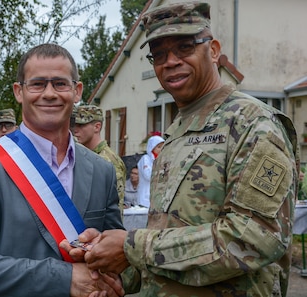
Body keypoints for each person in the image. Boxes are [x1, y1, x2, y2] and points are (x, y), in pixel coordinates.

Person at [66, 2, 299, 296]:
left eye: (185, 47)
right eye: (159, 54)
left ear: (213, 50)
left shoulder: (253, 124)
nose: (170, 61)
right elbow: (165, 246)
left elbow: (254, 239)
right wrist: (104, 261)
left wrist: (131, 246)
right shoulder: (178, 132)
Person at [0, 43, 125, 297]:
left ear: (77, 91)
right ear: (19, 92)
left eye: (60, 84)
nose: (49, 93)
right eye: (38, 84)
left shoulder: (102, 170)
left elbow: (119, 261)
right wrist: (65, 278)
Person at [73, 105, 127, 213]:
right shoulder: (80, 155)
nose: (75, 130)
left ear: (97, 127)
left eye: (81, 125)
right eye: (74, 125)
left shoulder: (108, 161)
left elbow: (115, 207)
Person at [137, 135, 164, 208]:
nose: (161, 149)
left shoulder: (160, 160)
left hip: (156, 198)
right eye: (158, 147)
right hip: (145, 198)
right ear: (152, 148)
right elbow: (148, 175)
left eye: (162, 147)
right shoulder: (145, 159)